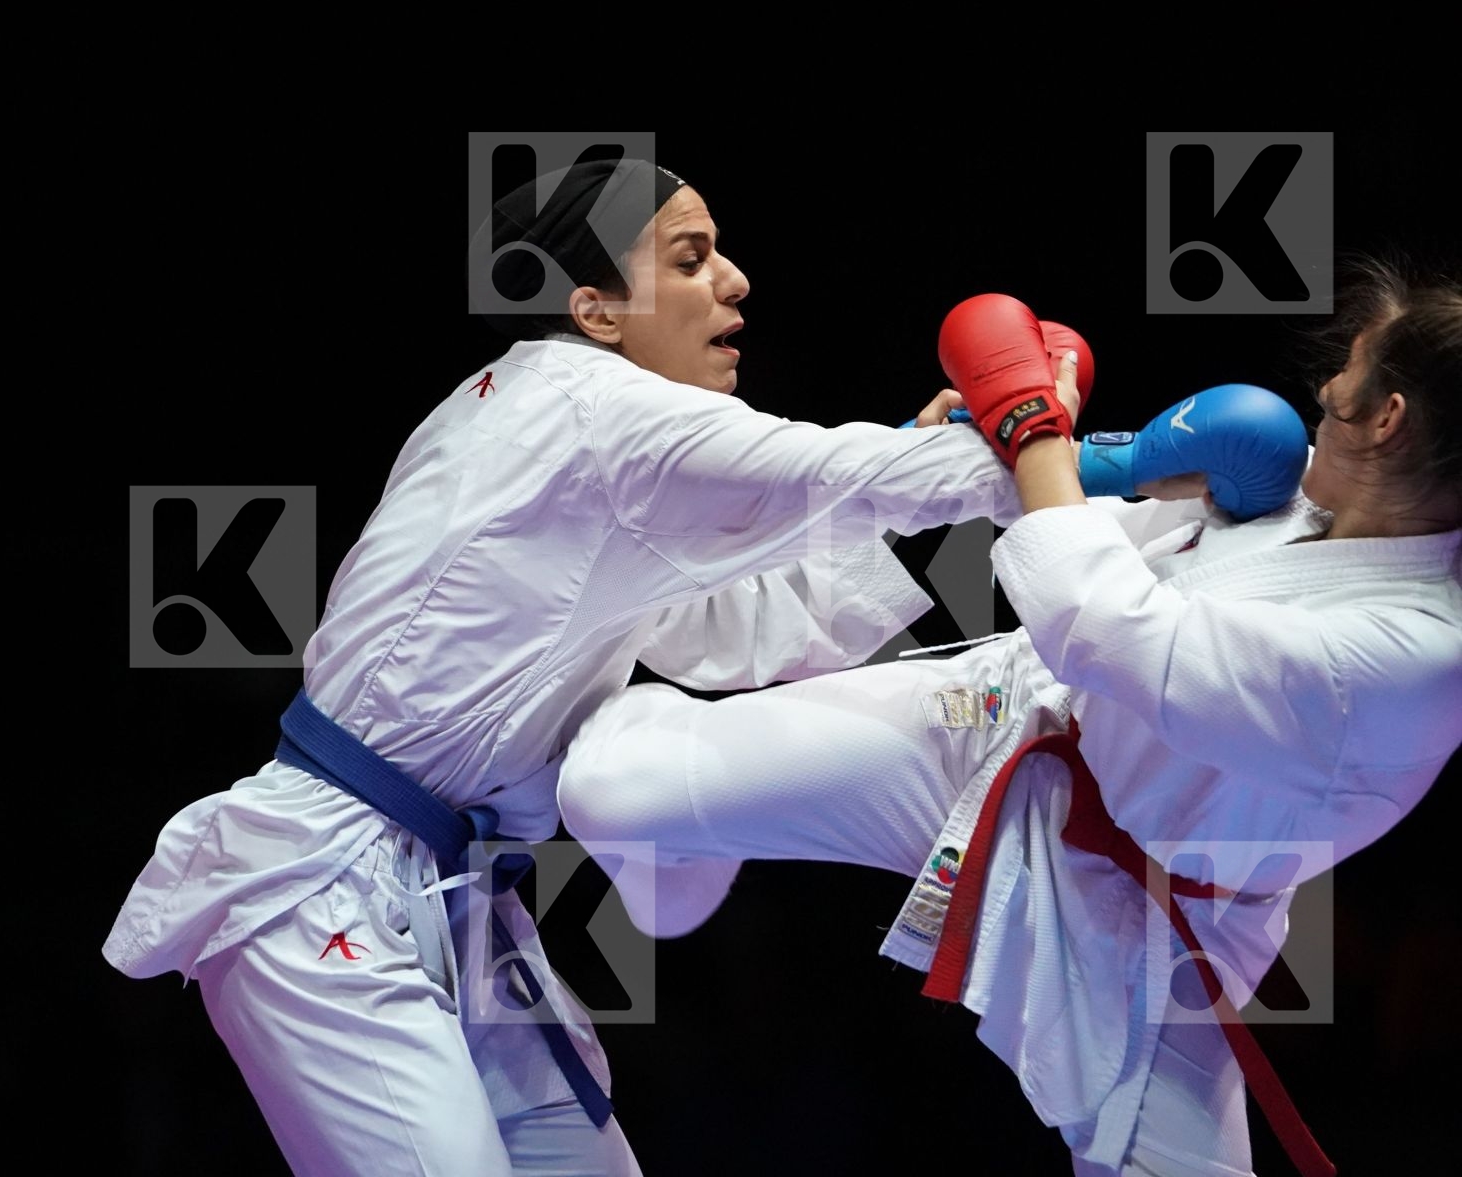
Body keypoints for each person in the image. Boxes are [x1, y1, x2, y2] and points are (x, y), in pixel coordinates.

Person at [100, 157, 1113, 1176]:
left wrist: (946, 454)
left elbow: (738, 632)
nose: (736, 281)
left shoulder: (547, 427)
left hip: (451, 894)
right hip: (315, 887)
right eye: (692, 257)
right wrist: (1054, 433)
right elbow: (839, 474)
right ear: (595, 311)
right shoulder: (597, 411)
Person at [556, 263, 1462, 1176]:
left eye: (1344, 382)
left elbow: (1105, 626)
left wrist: (1033, 429)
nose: (1321, 392)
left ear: (1389, 420)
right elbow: (1112, 520)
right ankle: (686, 861)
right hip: (1006, 728)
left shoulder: (1417, 658)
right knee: (609, 788)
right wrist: (1008, 445)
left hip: (1153, 923)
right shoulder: (1310, 492)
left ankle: (700, 833)